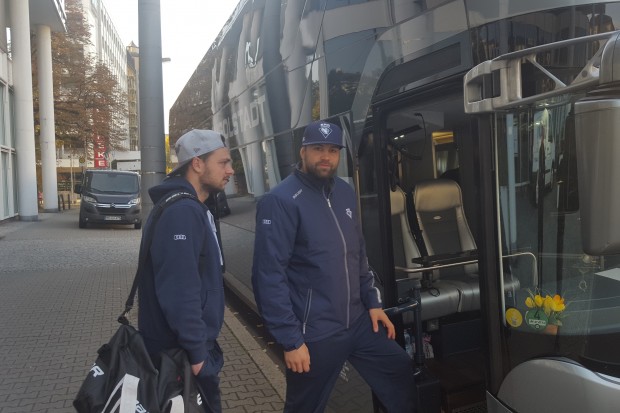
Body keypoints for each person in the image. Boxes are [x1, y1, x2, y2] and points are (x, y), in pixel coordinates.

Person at [252, 120, 416, 412]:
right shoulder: (280, 201)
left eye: (332, 150)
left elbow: (357, 253)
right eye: (318, 149)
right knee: (305, 405)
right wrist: (290, 341)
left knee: (398, 367)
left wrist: (373, 302)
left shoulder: (343, 191)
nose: (326, 156)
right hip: (315, 332)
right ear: (303, 152)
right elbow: (268, 277)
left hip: (357, 321)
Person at [138, 129, 234, 413]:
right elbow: (180, 291)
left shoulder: (190, 207)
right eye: (223, 162)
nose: (230, 170)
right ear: (197, 163)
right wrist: (197, 354)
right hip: (180, 354)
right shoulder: (182, 212)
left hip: (182, 350)